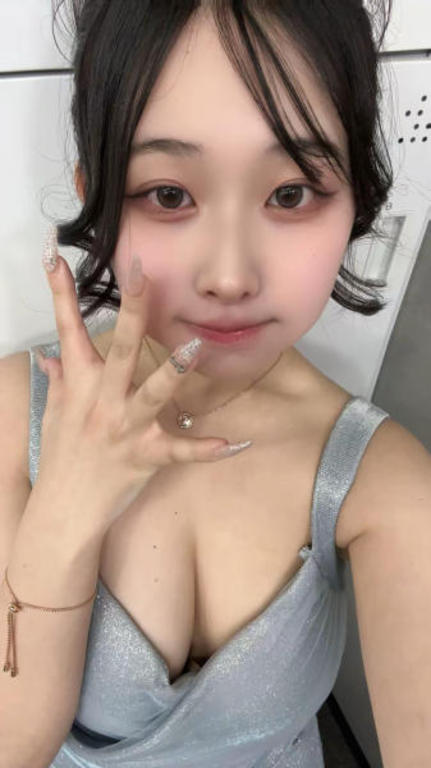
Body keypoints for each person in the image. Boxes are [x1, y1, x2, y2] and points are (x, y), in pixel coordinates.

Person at [2, 1, 431, 767]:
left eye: (290, 193)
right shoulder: (13, 412)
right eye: (169, 195)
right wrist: (65, 513)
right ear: (97, 197)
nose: (230, 277)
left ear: (355, 201)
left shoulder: (383, 481)